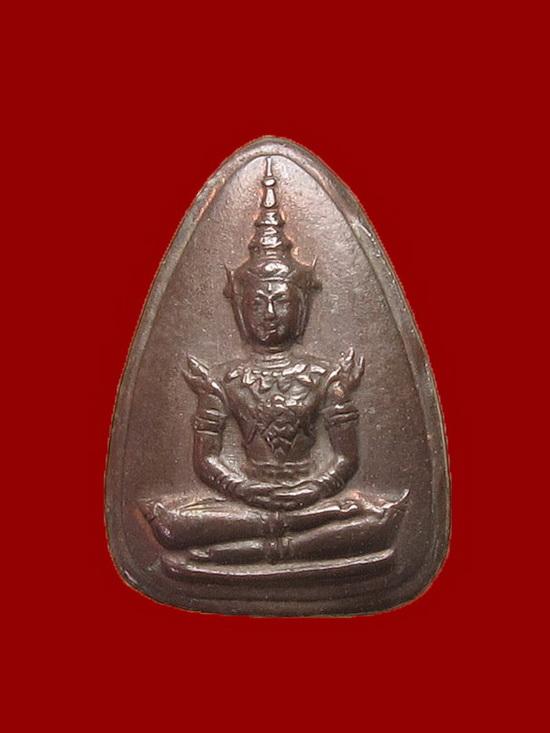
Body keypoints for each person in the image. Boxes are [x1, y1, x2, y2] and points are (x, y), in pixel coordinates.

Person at [141, 158, 407, 567]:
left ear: (301, 307)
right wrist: (246, 491)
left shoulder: (326, 377)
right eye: (257, 302)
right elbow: (206, 460)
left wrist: (313, 490)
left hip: (313, 499)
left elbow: (346, 459)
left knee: (367, 515)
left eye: (281, 300)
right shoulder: (222, 380)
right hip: (245, 501)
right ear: (240, 308)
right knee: (175, 524)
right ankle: (297, 542)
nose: (269, 313)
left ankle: (244, 549)